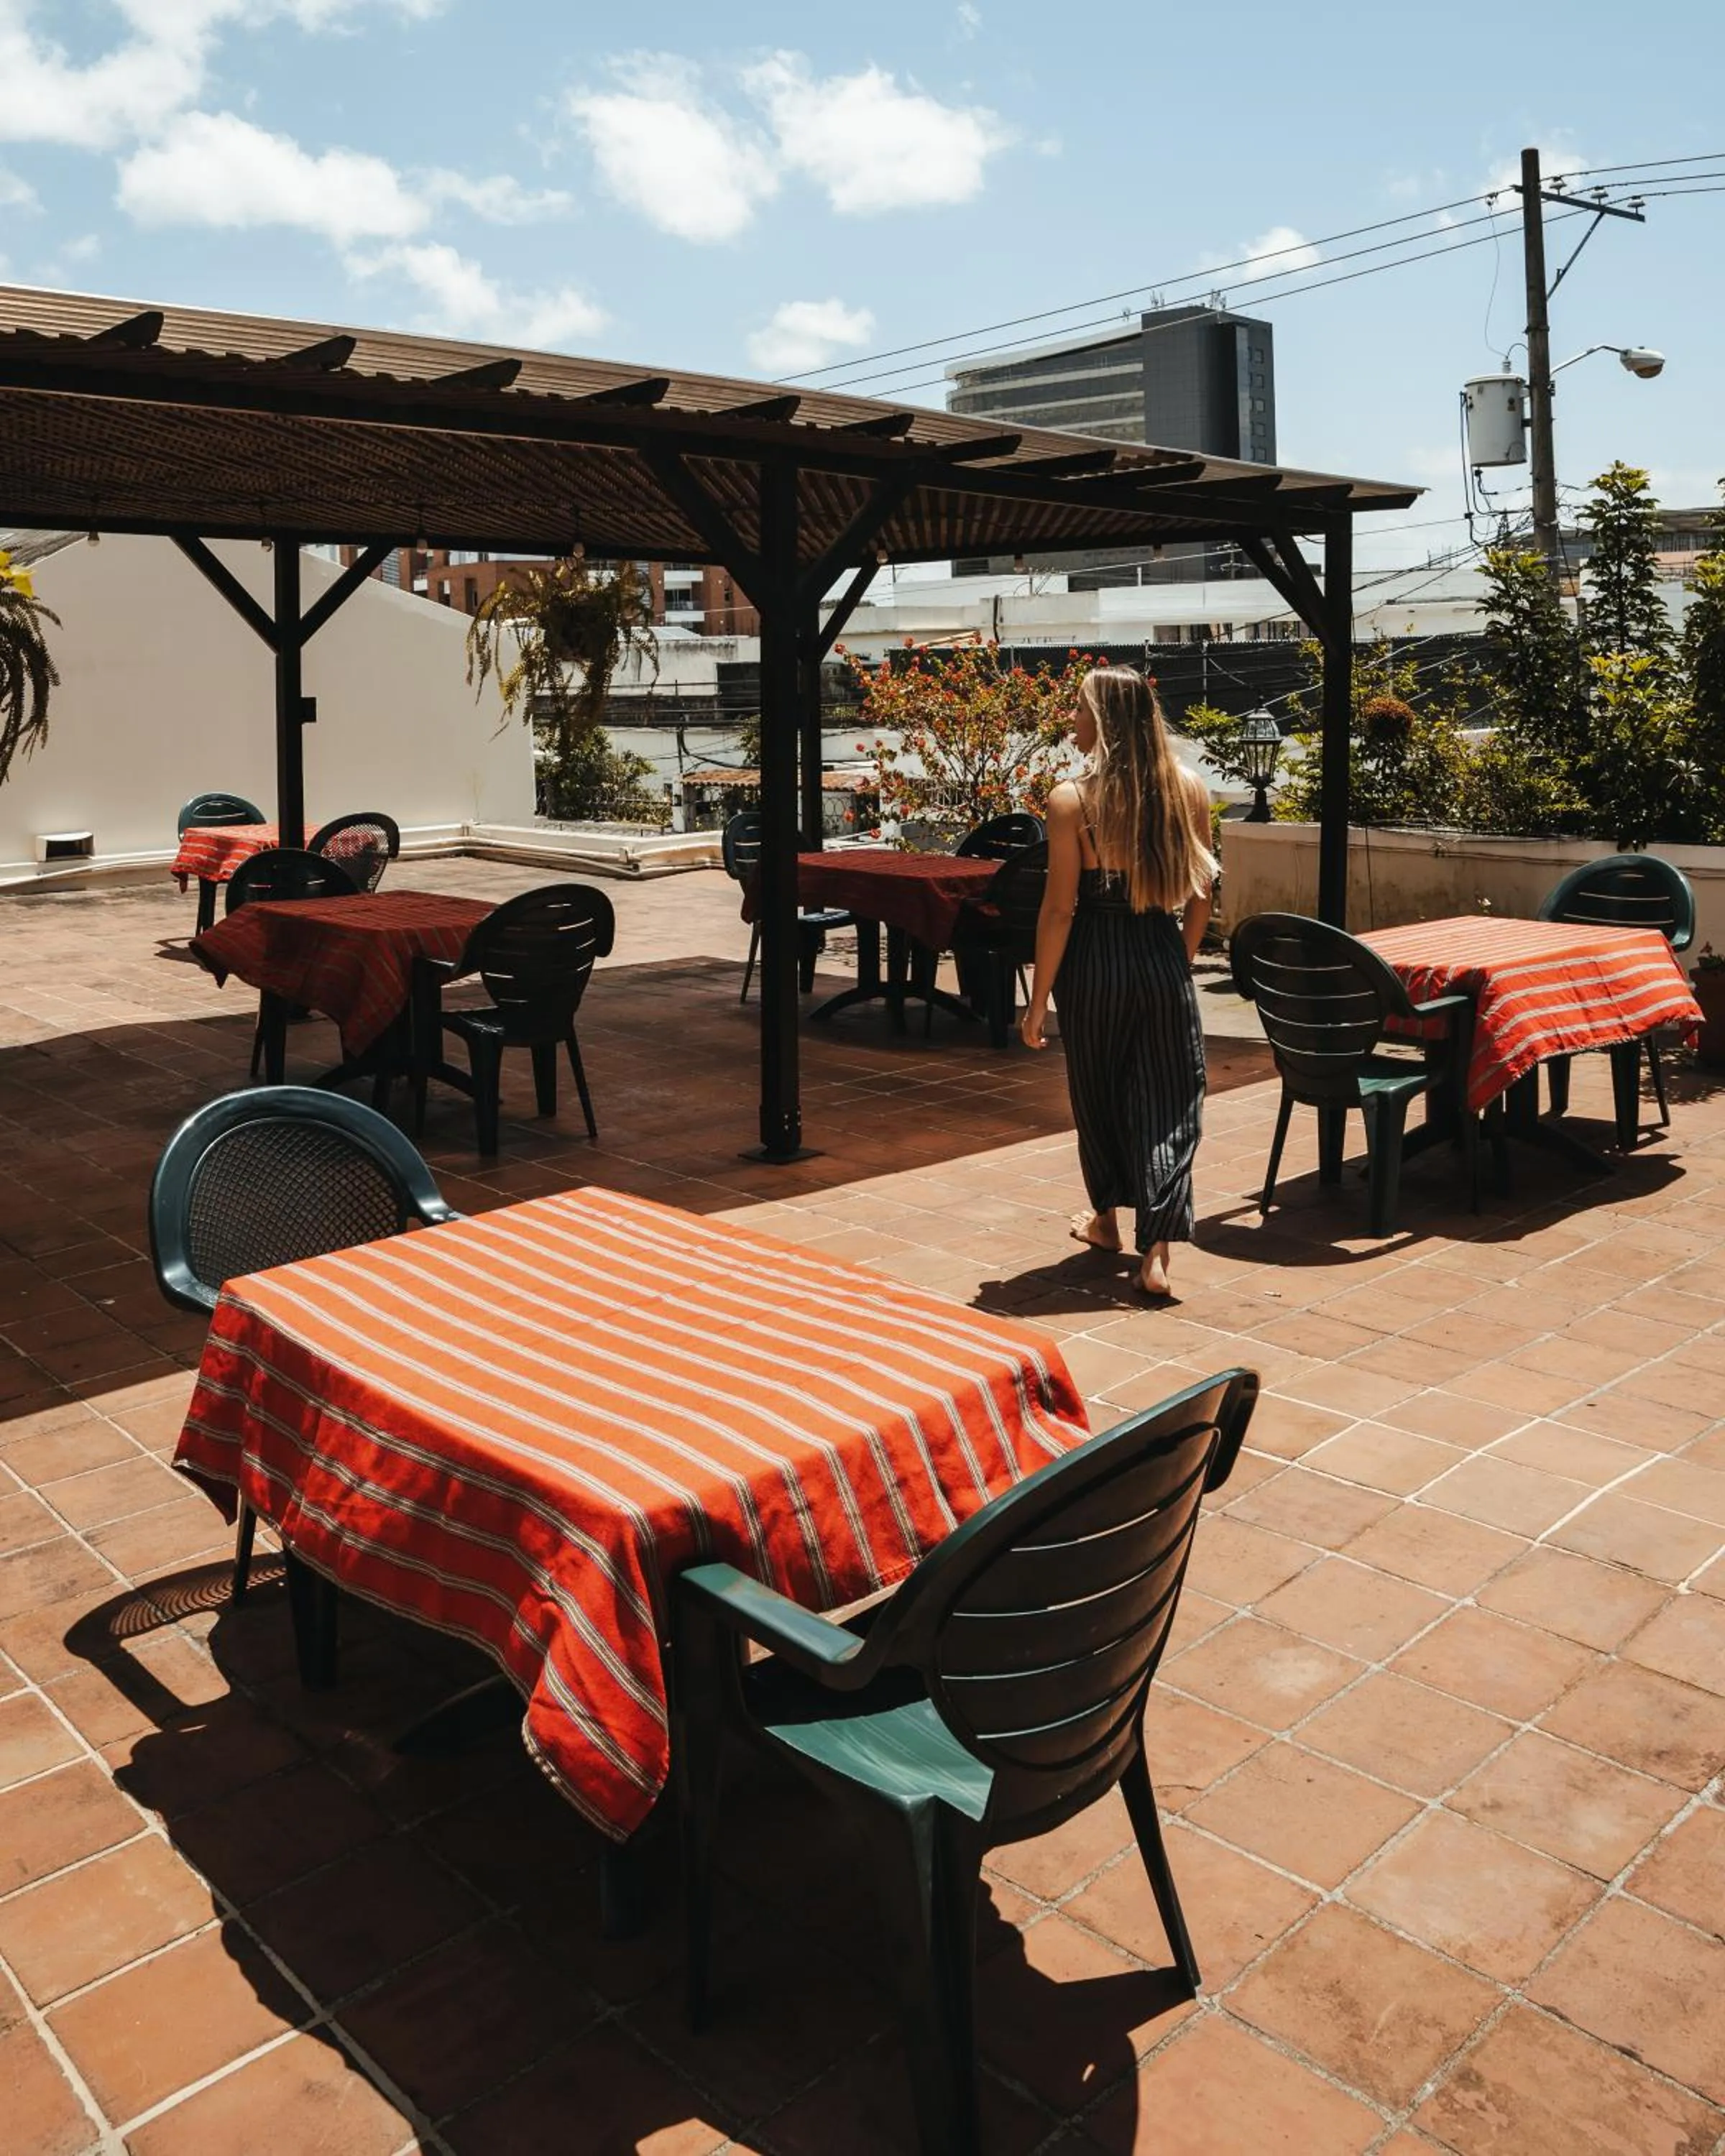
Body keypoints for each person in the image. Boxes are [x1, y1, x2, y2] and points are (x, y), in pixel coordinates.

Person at [1020, 667, 1216, 1298]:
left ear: (1102, 721)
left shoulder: (1072, 800)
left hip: (1095, 960)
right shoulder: (1187, 789)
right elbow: (1204, 894)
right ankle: (1154, 1251)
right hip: (1159, 948)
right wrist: (1176, 960)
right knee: (1169, 1098)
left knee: (1098, 1091)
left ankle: (1106, 1220)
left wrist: (1037, 1000)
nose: (1072, 722)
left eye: (1078, 710)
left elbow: (1059, 910)